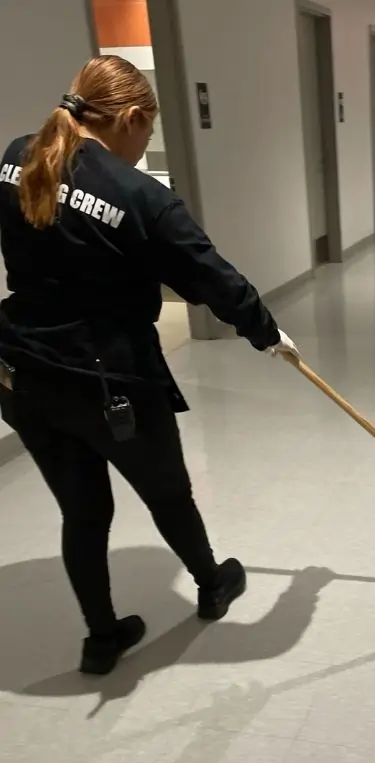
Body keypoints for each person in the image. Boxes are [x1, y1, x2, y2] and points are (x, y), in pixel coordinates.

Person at [0, 55, 299, 676]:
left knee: (83, 511)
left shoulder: (17, 156)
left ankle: (101, 637)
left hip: (24, 371)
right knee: (168, 492)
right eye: (149, 130)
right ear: (132, 117)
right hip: (111, 380)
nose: (145, 145)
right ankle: (213, 584)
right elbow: (209, 275)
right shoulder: (140, 197)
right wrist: (267, 332)